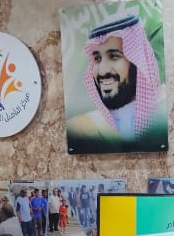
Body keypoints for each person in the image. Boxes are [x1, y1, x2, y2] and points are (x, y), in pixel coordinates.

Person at [65, 14, 168, 154]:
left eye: (114, 56)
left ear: (138, 62)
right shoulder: (80, 129)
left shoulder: (166, 115)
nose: (102, 71)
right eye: (97, 59)